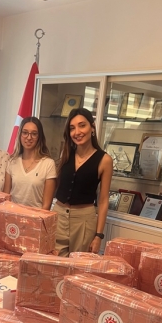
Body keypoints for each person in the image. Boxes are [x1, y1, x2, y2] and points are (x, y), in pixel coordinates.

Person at [54, 107, 113, 256]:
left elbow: (103, 200)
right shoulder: (66, 153)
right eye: (72, 128)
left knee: (78, 266)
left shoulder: (105, 160)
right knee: (53, 263)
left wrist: (98, 236)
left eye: (82, 125)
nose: (77, 132)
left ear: (92, 127)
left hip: (84, 220)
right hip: (58, 216)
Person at [3, 117, 57, 210]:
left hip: (36, 217)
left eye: (34, 134)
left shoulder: (48, 164)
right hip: (12, 216)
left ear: (39, 137)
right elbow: (6, 197)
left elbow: (46, 206)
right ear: (20, 135)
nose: (29, 137)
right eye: (25, 133)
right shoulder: (12, 162)